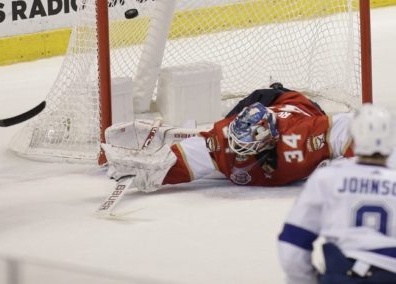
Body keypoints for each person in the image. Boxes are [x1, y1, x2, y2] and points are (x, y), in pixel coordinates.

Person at [101, 84, 354, 192]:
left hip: (297, 106)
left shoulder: (300, 139)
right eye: (237, 147)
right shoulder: (225, 137)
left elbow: (352, 126)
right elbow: (183, 162)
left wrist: (354, 167)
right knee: (220, 140)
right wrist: (147, 171)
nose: (238, 154)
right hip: (269, 106)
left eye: (246, 150)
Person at [278, 104, 396, 284]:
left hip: (340, 275)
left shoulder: (328, 178)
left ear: (354, 136)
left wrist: (306, 280)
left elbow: (293, 243)